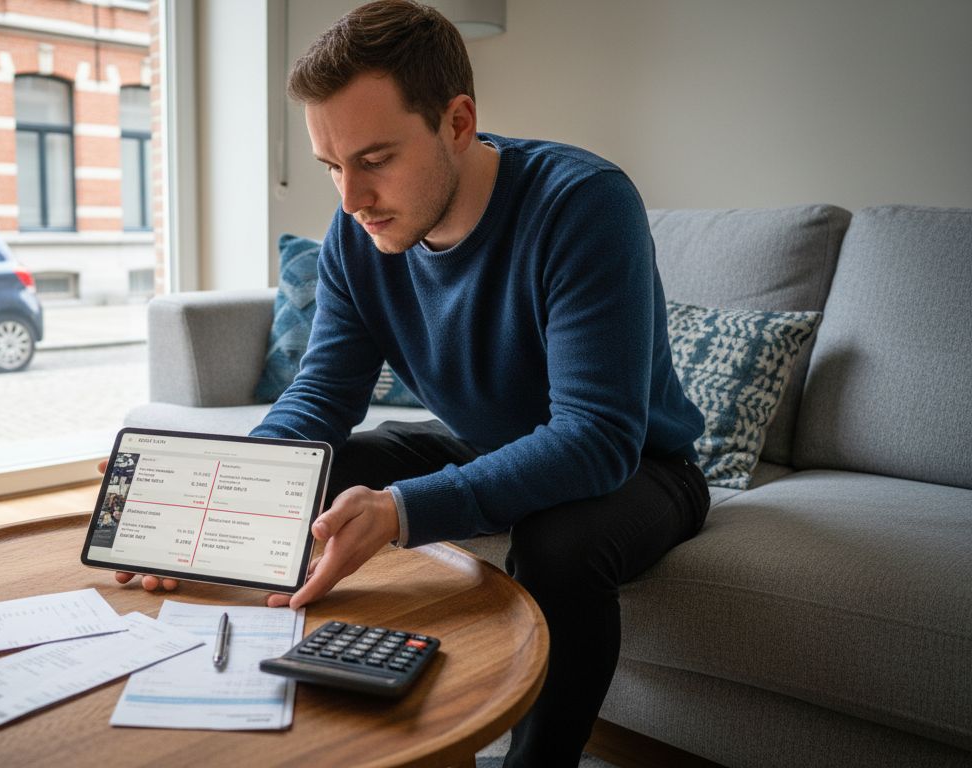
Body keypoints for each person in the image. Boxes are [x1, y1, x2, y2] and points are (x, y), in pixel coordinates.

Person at [112, 1, 710, 764]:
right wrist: (215, 499)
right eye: (332, 166)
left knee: (558, 543)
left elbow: (595, 439)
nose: (350, 200)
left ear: (457, 121)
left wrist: (402, 510)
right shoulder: (355, 238)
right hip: (486, 440)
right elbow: (324, 395)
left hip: (643, 468)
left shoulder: (583, 204)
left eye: (374, 159)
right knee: (327, 472)